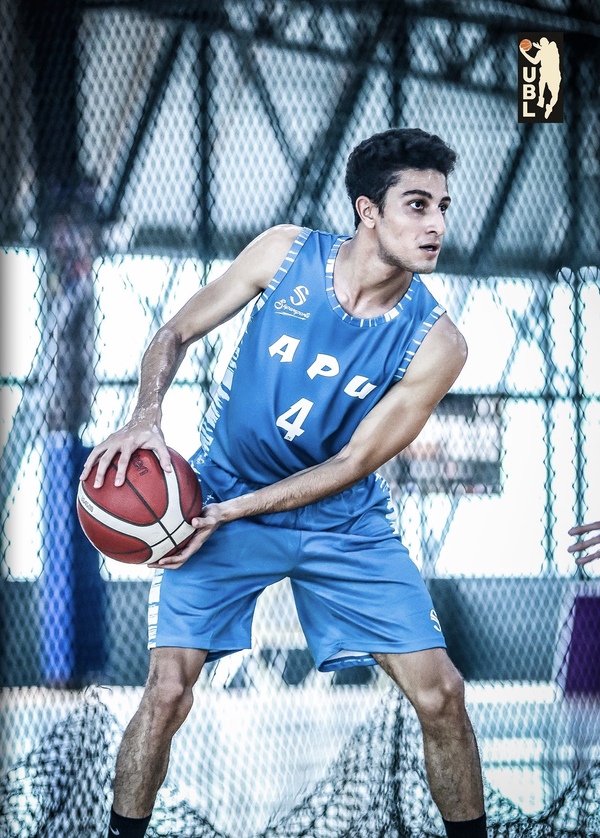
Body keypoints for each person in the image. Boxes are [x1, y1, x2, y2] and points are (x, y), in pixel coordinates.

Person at [82, 128, 487, 838]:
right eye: (417, 205)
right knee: (168, 690)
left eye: (444, 207)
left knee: (443, 695)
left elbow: (349, 465)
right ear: (368, 211)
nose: (436, 226)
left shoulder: (439, 343)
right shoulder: (284, 252)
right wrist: (145, 414)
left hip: (343, 520)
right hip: (222, 491)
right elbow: (175, 332)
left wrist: (230, 512)